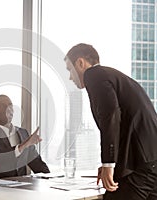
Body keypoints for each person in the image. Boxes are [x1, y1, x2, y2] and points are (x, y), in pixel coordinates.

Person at [64, 43, 157, 200]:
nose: (70, 77)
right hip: (150, 160)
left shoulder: (94, 75)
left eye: (69, 70)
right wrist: (111, 164)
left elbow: (111, 116)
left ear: (80, 63)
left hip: (140, 165)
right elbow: (124, 122)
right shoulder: (112, 76)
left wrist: (108, 163)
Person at [0, 94, 50, 178]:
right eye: (2, 106)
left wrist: (51, 180)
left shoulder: (23, 133)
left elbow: (37, 163)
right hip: (0, 187)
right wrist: (23, 146)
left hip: (24, 187)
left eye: (10, 106)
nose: (8, 109)